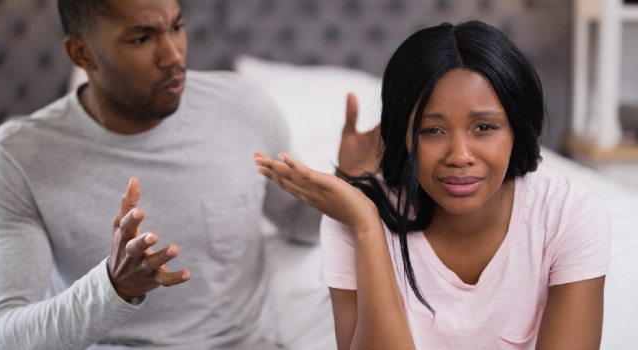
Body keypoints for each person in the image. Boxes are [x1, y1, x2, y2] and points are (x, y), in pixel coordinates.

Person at [0, 0, 375, 349]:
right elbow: (2, 335)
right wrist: (113, 287)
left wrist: (349, 183)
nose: (172, 55)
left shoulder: (242, 107)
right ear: (83, 54)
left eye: (177, 27)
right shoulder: (21, 155)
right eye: (141, 38)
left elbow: (300, 224)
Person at [255, 21, 611, 350]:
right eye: (432, 130)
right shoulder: (351, 214)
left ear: (517, 127)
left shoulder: (568, 213)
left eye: (484, 128)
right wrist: (365, 224)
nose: (459, 156)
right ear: (404, 136)